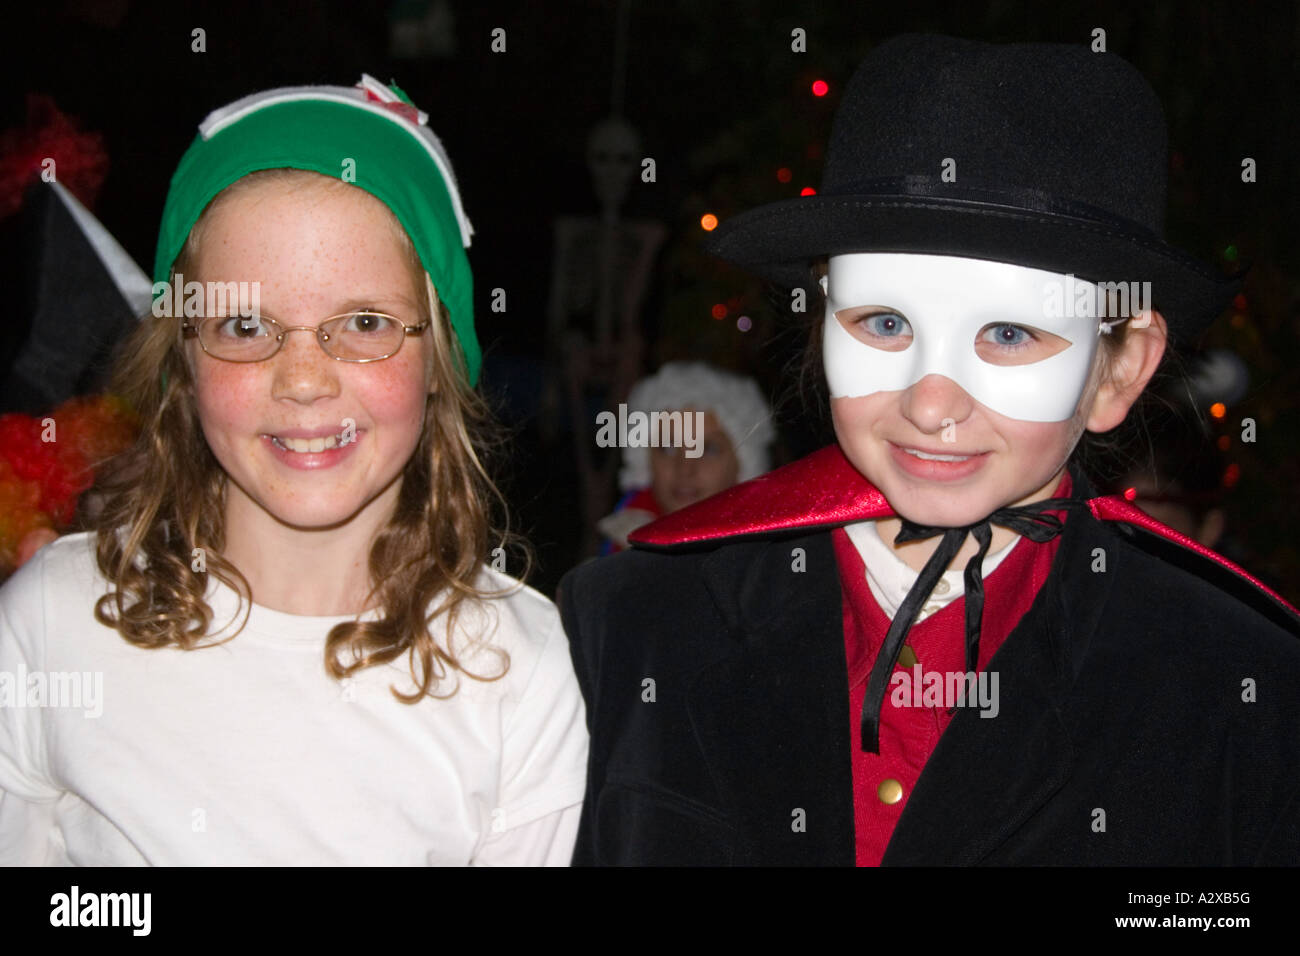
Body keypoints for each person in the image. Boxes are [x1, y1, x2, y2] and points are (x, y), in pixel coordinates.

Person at [559, 35, 1300, 865]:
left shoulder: (1242, 693)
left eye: (1011, 334)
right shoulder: (632, 626)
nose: (931, 401)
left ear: (1118, 369)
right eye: (883, 324)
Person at [0, 76, 587, 865]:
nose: (304, 379)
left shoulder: (521, 671)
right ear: (181, 353)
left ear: (441, 358)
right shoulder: (52, 625)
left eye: (364, 322)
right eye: (246, 325)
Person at [597, 360, 774, 552]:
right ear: (643, 459)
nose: (685, 469)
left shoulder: (763, 559)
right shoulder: (620, 555)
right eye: (667, 447)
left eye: (708, 449)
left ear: (743, 464)